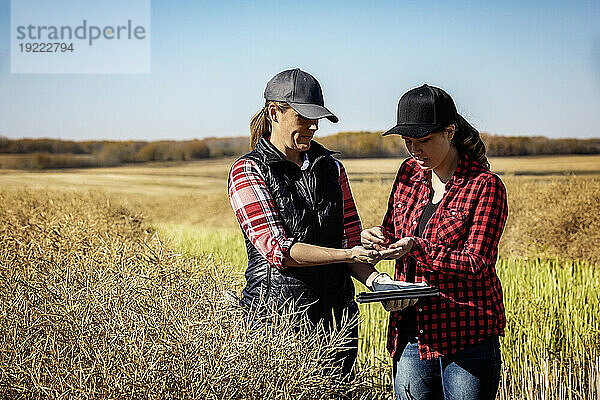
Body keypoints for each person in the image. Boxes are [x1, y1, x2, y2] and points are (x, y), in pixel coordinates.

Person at [228, 68, 385, 378]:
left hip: (337, 324)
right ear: (275, 112)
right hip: (277, 325)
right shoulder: (247, 172)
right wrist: (348, 255)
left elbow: (350, 242)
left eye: (317, 119)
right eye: (304, 118)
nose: (314, 127)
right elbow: (280, 251)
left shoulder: (334, 169)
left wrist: (380, 282)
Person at [361, 84, 508, 400]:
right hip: (411, 334)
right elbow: (394, 230)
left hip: (467, 335)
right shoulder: (408, 173)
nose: (415, 150)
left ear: (450, 131)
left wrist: (418, 248)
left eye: (424, 140)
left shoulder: (485, 187)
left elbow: (477, 263)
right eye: (408, 141)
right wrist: (378, 237)